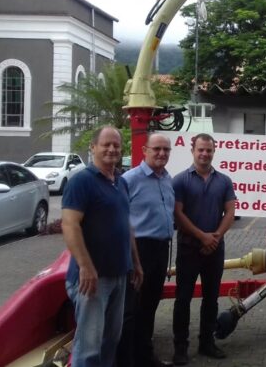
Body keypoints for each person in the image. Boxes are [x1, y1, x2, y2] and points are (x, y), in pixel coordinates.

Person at [61, 126, 142, 367]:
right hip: (92, 280)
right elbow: (70, 225)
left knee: (110, 342)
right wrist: (86, 267)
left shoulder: (120, 181)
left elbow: (126, 226)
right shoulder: (82, 182)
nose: (111, 149)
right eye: (106, 144)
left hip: (118, 275)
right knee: (88, 347)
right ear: (93, 147)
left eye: (116, 145)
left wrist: (135, 263)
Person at [172, 133, 237, 366]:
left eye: (209, 150)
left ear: (214, 151)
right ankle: (180, 347)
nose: (205, 154)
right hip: (189, 249)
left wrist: (216, 237)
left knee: (211, 298)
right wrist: (202, 237)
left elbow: (230, 211)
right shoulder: (180, 180)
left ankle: (207, 342)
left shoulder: (224, 181)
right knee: (183, 299)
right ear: (193, 150)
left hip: (215, 249)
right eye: (201, 150)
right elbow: (177, 214)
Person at [117, 133, 175, 367]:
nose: (162, 153)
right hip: (138, 249)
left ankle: (145, 355)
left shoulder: (166, 179)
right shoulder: (130, 179)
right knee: (132, 308)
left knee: (150, 304)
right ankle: (127, 359)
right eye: (157, 149)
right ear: (145, 150)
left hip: (162, 248)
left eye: (166, 150)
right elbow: (119, 218)